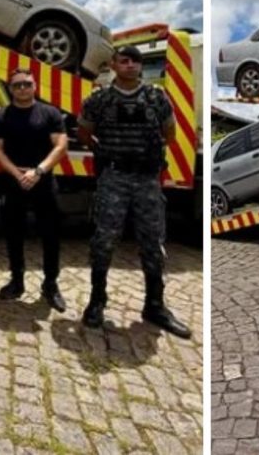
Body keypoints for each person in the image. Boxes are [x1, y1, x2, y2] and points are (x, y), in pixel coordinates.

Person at [76, 45, 191, 339]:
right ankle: (96, 301)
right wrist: (104, 151)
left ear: (141, 67)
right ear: (113, 64)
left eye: (135, 61)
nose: (130, 65)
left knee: (152, 241)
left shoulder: (156, 97)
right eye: (124, 61)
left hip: (147, 178)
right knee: (103, 240)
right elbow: (85, 132)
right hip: (114, 176)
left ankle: (155, 305)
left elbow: (170, 133)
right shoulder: (99, 99)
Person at [0, 67, 69, 312]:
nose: (22, 88)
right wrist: (17, 173)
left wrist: (39, 171)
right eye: (17, 85)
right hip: (14, 182)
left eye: (27, 84)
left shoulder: (50, 113)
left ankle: (51, 284)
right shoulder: (1, 116)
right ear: (10, 88)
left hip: (43, 181)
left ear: (35, 86)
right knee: (14, 234)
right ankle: (17, 281)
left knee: (51, 235)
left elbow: (60, 145)